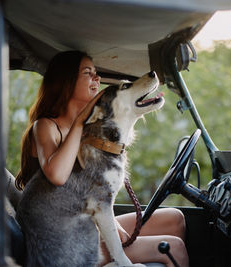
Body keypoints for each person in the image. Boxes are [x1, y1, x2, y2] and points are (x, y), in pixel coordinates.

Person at [16, 50, 189, 267]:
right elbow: (57, 176)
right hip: (67, 239)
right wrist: (79, 122)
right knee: (174, 247)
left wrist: (116, 228)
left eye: (96, 73)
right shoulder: (46, 126)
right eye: (88, 73)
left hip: (88, 221)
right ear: (66, 82)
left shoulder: (94, 127)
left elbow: (95, 194)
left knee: (175, 218)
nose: (97, 78)